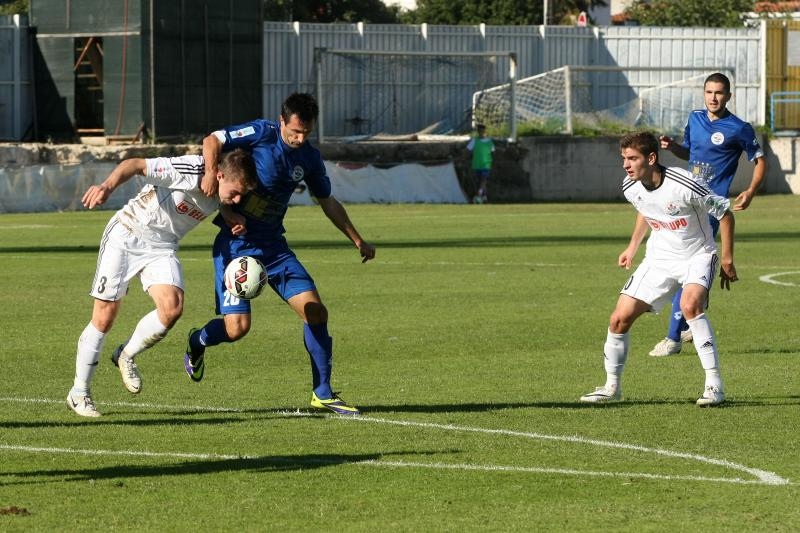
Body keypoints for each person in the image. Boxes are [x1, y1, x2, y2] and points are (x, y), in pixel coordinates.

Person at [185, 92, 376, 416]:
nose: (300, 139)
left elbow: (328, 202)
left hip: (274, 248)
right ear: (282, 121)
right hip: (237, 248)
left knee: (315, 311)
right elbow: (213, 139)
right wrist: (209, 173)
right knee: (237, 329)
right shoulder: (261, 134)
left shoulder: (310, 159)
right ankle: (198, 341)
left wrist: (357, 240)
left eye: (306, 133)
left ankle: (323, 392)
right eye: (294, 132)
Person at [66, 150, 257, 417]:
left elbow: (217, 200)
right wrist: (106, 187)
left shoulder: (223, 191)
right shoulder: (189, 170)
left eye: (241, 196)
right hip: (128, 233)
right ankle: (79, 392)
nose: (238, 200)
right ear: (220, 175)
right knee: (105, 316)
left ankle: (125, 354)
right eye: (235, 193)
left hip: (162, 246)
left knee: (172, 308)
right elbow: (134, 164)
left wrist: (228, 212)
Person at [580, 131, 737, 407]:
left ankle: (714, 386)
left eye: (632, 158)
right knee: (618, 319)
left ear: (651, 158)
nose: (626, 165)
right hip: (658, 259)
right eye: (623, 159)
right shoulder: (631, 186)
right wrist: (632, 247)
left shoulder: (684, 183)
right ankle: (610, 387)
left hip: (696, 256)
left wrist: (726, 259)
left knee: (691, 307)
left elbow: (724, 214)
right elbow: (647, 209)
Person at [648, 72, 765, 357]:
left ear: (728, 96)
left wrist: (749, 191)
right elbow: (690, 153)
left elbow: (760, 161)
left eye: (719, 93)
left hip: (710, 205)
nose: (714, 97)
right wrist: (672, 146)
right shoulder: (695, 118)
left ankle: (673, 338)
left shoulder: (739, 128)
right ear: (704, 93)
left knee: (686, 266)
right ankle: (696, 306)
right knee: (687, 265)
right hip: (686, 198)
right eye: (709, 92)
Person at [466, 123, 495, 204]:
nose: (481, 133)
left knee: (483, 180)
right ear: (478, 132)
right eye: (480, 131)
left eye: (483, 131)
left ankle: (478, 195)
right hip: (476, 164)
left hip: (486, 164)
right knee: (480, 181)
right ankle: (485, 198)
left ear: (485, 131)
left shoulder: (489, 141)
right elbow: (468, 150)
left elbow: (493, 151)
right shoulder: (475, 140)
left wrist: (490, 161)